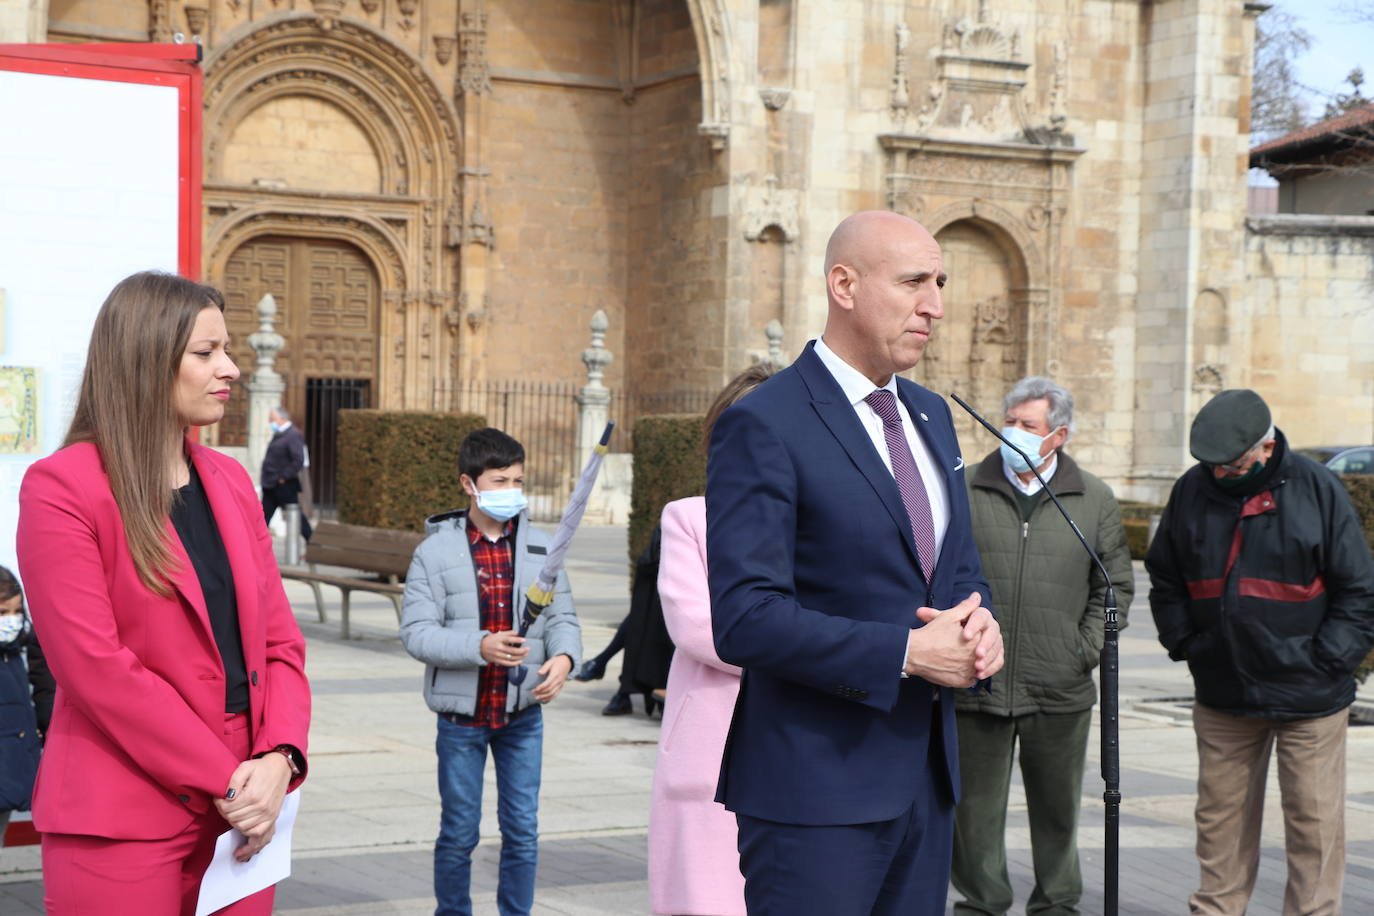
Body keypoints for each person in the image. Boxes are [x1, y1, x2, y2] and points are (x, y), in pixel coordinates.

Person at [706, 210, 1004, 916]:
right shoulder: (766, 422)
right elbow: (746, 618)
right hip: (814, 791)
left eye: (940, 282)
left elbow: (954, 572)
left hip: (926, 786)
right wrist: (905, 653)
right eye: (913, 282)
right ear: (844, 284)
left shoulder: (932, 414)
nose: (935, 304)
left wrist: (980, 622)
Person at [16, 270, 311, 914]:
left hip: (246, 803)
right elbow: (94, 667)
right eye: (206, 353)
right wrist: (229, 777)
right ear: (146, 361)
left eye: (225, 350)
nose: (228, 368)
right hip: (124, 802)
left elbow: (281, 643)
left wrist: (281, 757)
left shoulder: (230, 480)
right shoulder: (63, 487)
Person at [1147, 388, 1374, 916]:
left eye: (1229, 465)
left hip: (1310, 695)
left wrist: (1330, 660)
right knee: (1219, 823)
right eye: (1210, 466)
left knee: (1313, 826)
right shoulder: (1192, 490)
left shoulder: (1318, 488)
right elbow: (1165, 576)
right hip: (1224, 692)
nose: (1218, 475)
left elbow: (1359, 589)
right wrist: (1188, 644)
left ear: (1264, 448)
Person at [951, 377, 1134, 916]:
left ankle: (1056, 903)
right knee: (973, 813)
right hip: (977, 682)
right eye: (1009, 421)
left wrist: (1081, 651)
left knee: (1057, 812)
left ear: (1058, 435)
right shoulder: (962, 489)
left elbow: (1114, 586)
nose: (1013, 433)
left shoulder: (1093, 497)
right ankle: (982, 903)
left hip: (1060, 687)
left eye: (1027, 426)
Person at [400, 427, 582, 916]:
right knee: (459, 831)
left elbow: (562, 616)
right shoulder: (434, 553)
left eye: (518, 480)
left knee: (523, 830)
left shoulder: (542, 547)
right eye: (499, 481)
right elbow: (417, 633)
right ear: (469, 483)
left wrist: (564, 658)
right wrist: (480, 646)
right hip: (462, 719)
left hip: (522, 716)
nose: (511, 492)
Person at [648, 362, 776, 916]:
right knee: (705, 896)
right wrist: (808, 652)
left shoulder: (818, 524)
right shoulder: (689, 518)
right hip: (711, 737)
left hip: (796, 733)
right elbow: (696, 626)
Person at [574, 529, 674, 717]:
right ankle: (618, 686)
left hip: (678, 574)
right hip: (664, 569)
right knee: (643, 618)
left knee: (645, 620)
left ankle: (602, 666)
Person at [0, 565, 53, 845]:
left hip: (9, 770)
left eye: (16, 612)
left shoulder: (14, 652)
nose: (11, 620)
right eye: (2, 612)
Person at [261, 406, 313, 542]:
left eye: (272, 419)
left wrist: (283, 477)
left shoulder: (293, 435)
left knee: (296, 516)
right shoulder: (280, 434)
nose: (270, 422)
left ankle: (313, 543)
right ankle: (254, 546)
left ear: (282, 418)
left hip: (283, 485)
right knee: (261, 518)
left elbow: (298, 460)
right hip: (271, 485)